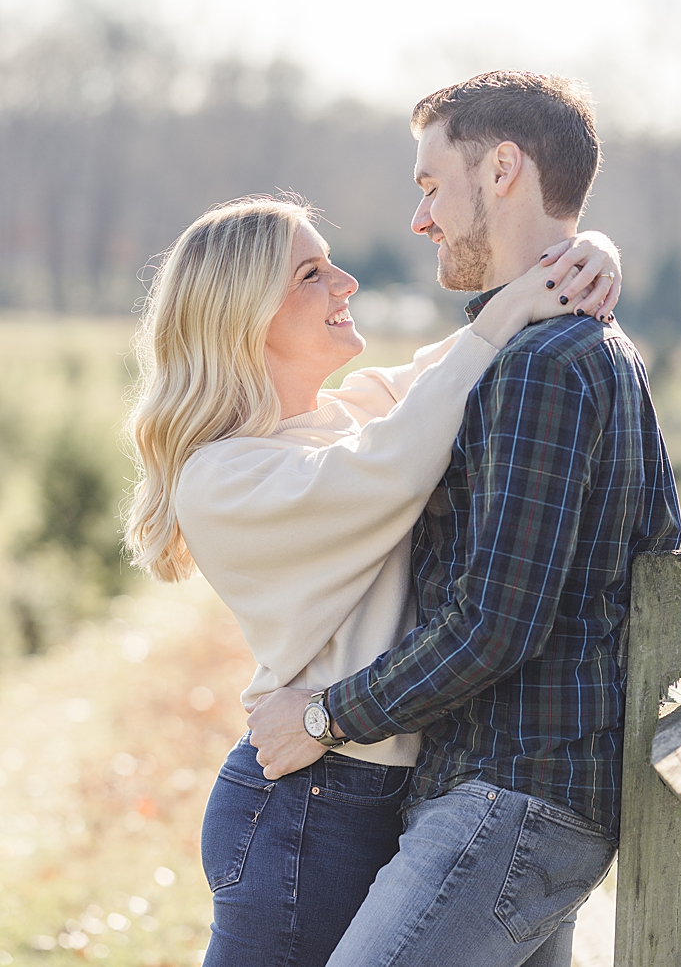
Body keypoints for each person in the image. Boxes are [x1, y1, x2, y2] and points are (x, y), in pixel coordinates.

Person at [246, 72, 681, 967]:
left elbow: (493, 621)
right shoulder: (556, 348)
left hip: (513, 798)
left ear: (503, 170)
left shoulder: (544, 366)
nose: (421, 218)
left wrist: (323, 716)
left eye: (431, 183)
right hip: (516, 796)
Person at [123, 194, 621, 967]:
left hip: (379, 785)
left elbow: (450, 372)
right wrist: (514, 304)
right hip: (307, 807)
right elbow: (391, 463)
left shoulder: (339, 419)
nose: (346, 281)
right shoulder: (222, 478)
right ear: (243, 315)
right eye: (312, 274)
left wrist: (585, 253)